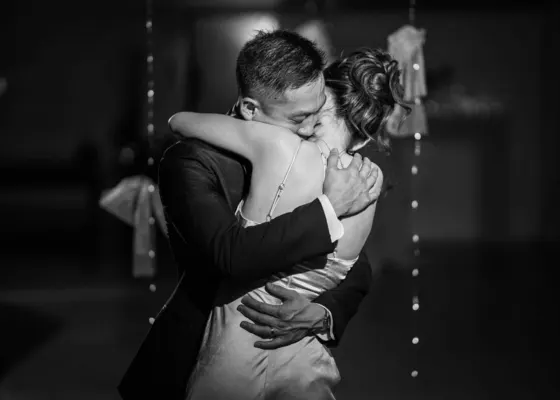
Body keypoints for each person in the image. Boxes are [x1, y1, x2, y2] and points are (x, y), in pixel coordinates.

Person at [117, 30, 381, 400]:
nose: (311, 131)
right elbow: (229, 256)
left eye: (318, 114)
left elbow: (356, 263)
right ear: (250, 109)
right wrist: (330, 208)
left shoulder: (313, 155)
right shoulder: (191, 161)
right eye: (300, 118)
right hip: (197, 355)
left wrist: (323, 312)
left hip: (288, 361)